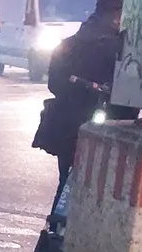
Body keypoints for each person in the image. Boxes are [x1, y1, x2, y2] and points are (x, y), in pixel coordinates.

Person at [31, 0, 123, 210]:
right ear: (117, 15)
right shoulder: (120, 46)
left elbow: (54, 84)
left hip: (68, 127)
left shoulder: (69, 43)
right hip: (105, 128)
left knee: (66, 182)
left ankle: (55, 230)